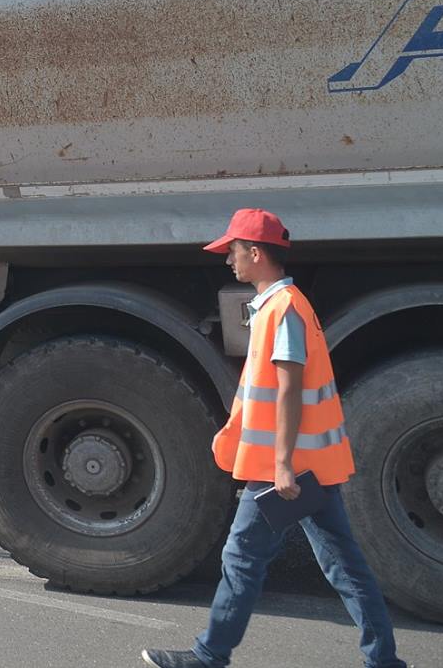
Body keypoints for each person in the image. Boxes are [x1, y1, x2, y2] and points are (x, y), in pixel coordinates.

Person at [141, 207, 404, 668]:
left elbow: (289, 389)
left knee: (242, 559)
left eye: (234, 251)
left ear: (256, 252)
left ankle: (208, 656)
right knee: (344, 566)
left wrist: (282, 464)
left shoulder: (282, 309)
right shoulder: (284, 305)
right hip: (310, 467)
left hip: (282, 470)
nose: (229, 261)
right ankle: (383, 662)